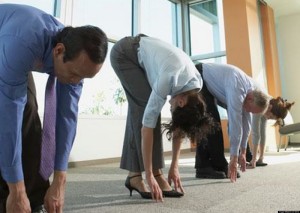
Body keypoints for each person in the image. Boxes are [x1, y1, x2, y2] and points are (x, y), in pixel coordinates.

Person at [0, 4, 108, 213]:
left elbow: (67, 117)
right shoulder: (22, 42)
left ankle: (34, 198)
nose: (77, 82)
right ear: (59, 51)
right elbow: (8, 118)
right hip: (9, 46)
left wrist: (60, 178)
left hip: (11, 52)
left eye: (83, 78)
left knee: (29, 113)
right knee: (14, 113)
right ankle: (14, 197)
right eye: (76, 75)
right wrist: (16, 189)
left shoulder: (75, 60)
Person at [110, 34, 216, 202]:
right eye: (174, 108)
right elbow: (147, 128)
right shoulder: (170, 79)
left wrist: (174, 166)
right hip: (124, 53)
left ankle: (134, 176)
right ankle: (154, 173)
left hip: (141, 55)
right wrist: (151, 174)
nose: (170, 106)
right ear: (181, 102)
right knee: (146, 108)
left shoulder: (195, 86)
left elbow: (179, 124)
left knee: (140, 110)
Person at [194, 63, 269, 182]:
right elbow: (235, 124)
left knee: (211, 120)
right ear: (250, 99)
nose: (249, 111)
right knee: (210, 122)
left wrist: (243, 152)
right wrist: (234, 159)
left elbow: (246, 124)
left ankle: (213, 164)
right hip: (199, 76)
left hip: (210, 85)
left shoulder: (249, 93)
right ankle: (206, 166)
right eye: (250, 109)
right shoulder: (237, 91)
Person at [247, 97, 295, 168]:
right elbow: (255, 133)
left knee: (263, 131)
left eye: (272, 118)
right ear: (270, 108)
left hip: (262, 105)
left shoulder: (272, 106)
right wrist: (253, 159)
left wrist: (261, 158)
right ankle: (250, 158)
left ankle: (261, 157)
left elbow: (262, 133)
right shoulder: (260, 105)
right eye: (270, 116)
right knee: (255, 132)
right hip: (249, 101)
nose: (269, 118)